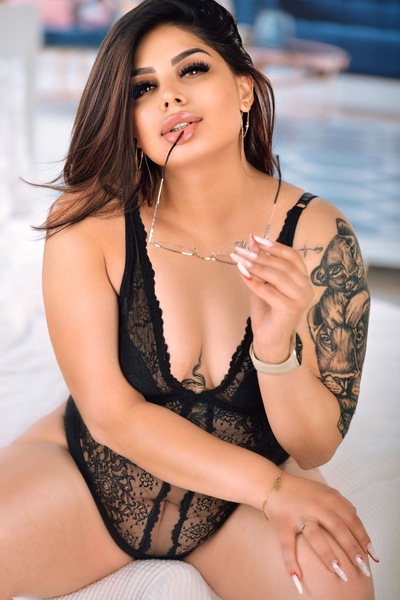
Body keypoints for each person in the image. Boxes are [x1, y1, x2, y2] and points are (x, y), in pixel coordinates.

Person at [0, 1, 377, 598]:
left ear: (245, 89)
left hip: (236, 506)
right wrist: (274, 490)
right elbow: (112, 415)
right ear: (128, 121)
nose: (170, 97)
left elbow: (313, 446)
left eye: (192, 70)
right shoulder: (89, 224)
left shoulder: (318, 237)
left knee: (341, 589)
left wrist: (275, 349)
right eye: (143, 88)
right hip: (90, 477)